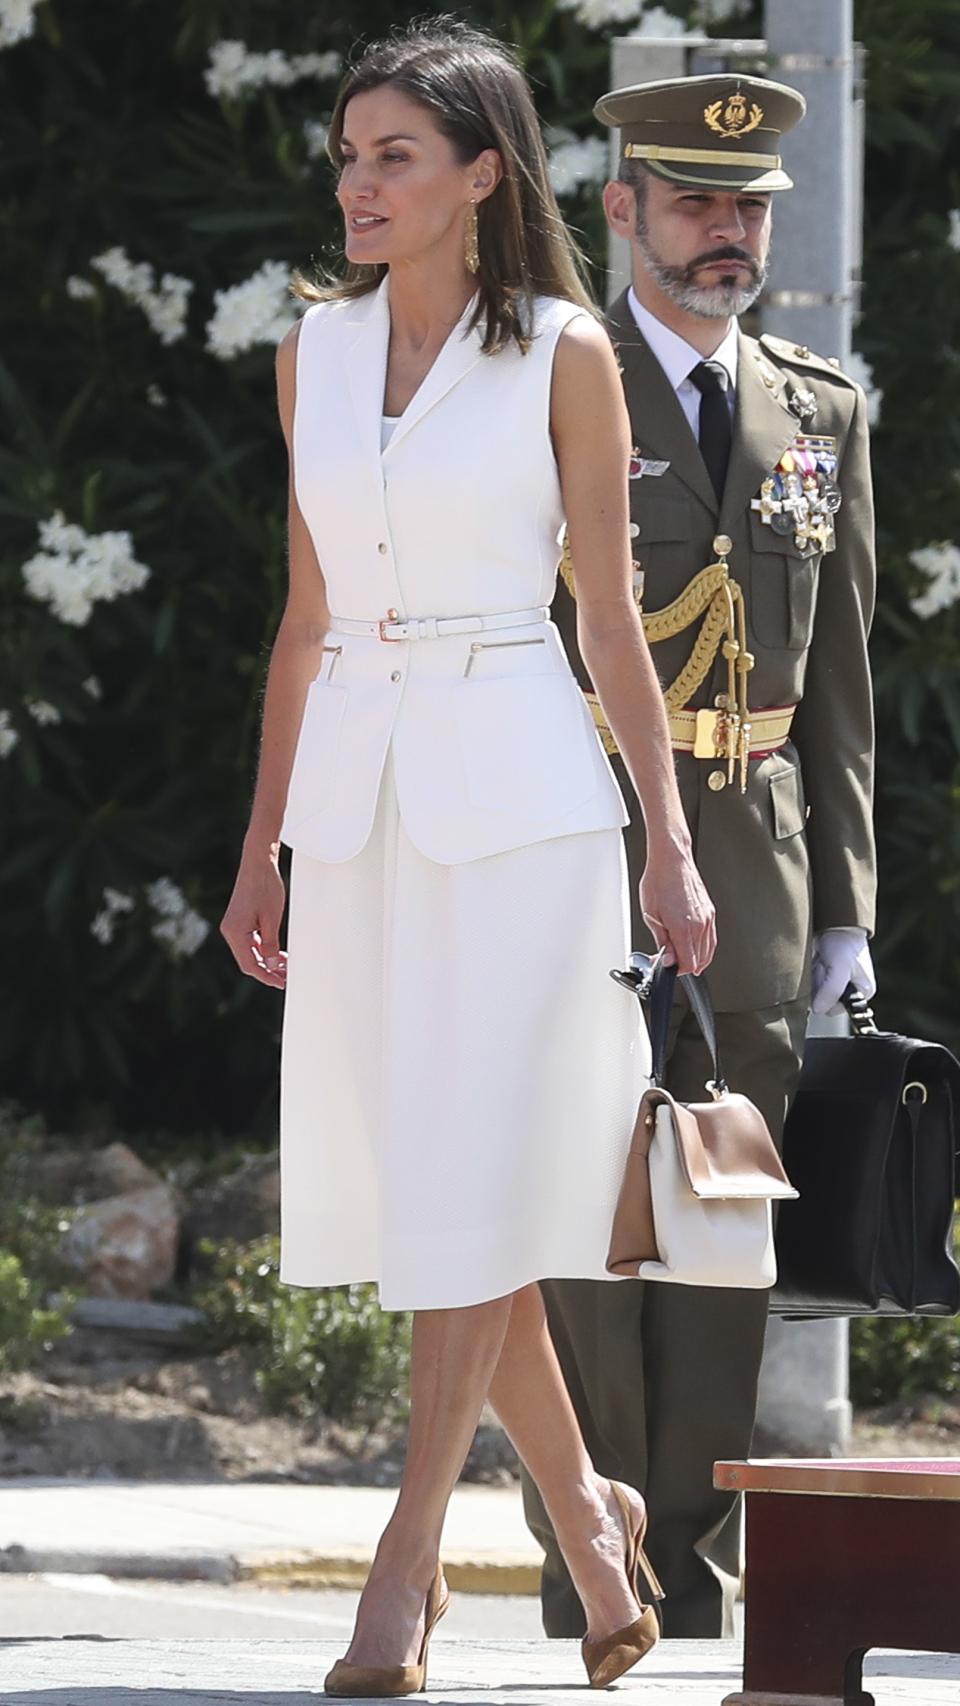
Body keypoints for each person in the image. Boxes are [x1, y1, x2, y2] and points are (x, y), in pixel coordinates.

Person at [220, 19, 716, 1698]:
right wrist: (264, 845)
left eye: (395, 157)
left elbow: (611, 620)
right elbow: (304, 620)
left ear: (483, 176)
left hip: (524, 810)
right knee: (442, 1192)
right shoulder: (312, 353)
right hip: (359, 806)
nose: (356, 186)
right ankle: (589, 1512)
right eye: (347, 157)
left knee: (468, 1181)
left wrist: (669, 843)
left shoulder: (566, 352)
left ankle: (406, 1563)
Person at [523, 72, 878, 1640]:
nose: (727, 231)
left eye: (748, 208)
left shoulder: (817, 406)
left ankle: (696, 1547)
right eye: (694, 203)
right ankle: (594, 1544)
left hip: (760, 869)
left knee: (725, 1217)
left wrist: (848, 911)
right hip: (584, 838)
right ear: (622, 211)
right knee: (588, 1206)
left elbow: (843, 687)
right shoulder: (553, 382)